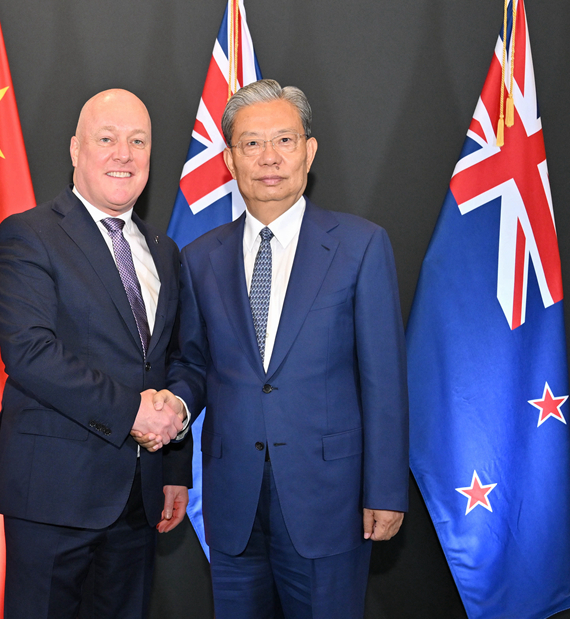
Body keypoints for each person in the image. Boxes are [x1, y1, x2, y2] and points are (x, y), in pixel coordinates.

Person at [162, 79, 409, 618]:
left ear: (309, 151)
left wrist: (386, 489)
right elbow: (194, 364)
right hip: (233, 501)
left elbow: (384, 379)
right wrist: (173, 414)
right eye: (251, 143)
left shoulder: (360, 245)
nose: (268, 157)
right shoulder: (199, 257)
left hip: (331, 500)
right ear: (229, 160)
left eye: (284, 140)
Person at [0, 88, 191, 619]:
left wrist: (174, 465)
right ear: (76, 149)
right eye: (107, 139)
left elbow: (174, 360)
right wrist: (132, 413)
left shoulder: (165, 251)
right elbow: (30, 353)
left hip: (139, 498)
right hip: (52, 495)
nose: (124, 154)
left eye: (138, 141)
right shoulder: (28, 235)